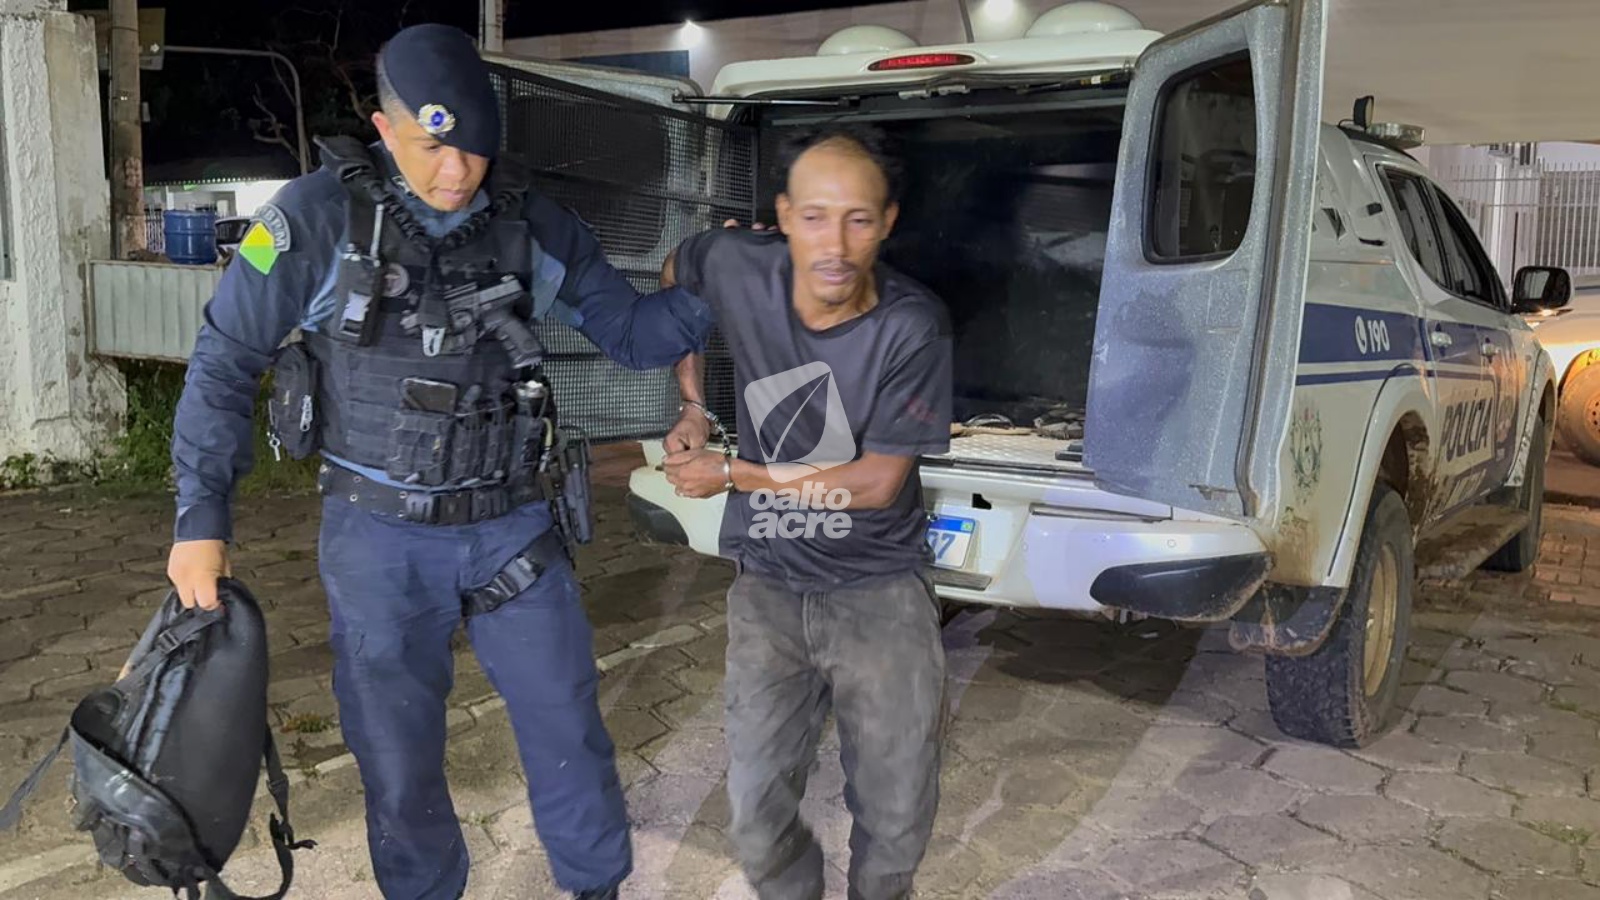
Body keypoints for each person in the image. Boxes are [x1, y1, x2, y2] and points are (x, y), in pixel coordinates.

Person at [164, 23, 715, 900]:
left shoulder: (532, 221)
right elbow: (224, 365)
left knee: (569, 725)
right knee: (397, 759)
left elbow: (635, 335)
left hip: (512, 527)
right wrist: (201, 522)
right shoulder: (310, 221)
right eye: (432, 147)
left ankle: (597, 885)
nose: (457, 171)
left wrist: (720, 278)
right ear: (385, 130)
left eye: (474, 148)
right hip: (377, 540)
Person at [659, 124, 954, 900]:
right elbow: (676, 273)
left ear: (886, 223)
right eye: (815, 217)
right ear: (784, 216)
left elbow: (877, 483)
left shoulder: (912, 326)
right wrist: (692, 403)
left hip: (880, 590)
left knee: (896, 814)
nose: (836, 243)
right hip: (770, 589)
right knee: (756, 819)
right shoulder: (736, 262)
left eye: (858, 219)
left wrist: (733, 472)